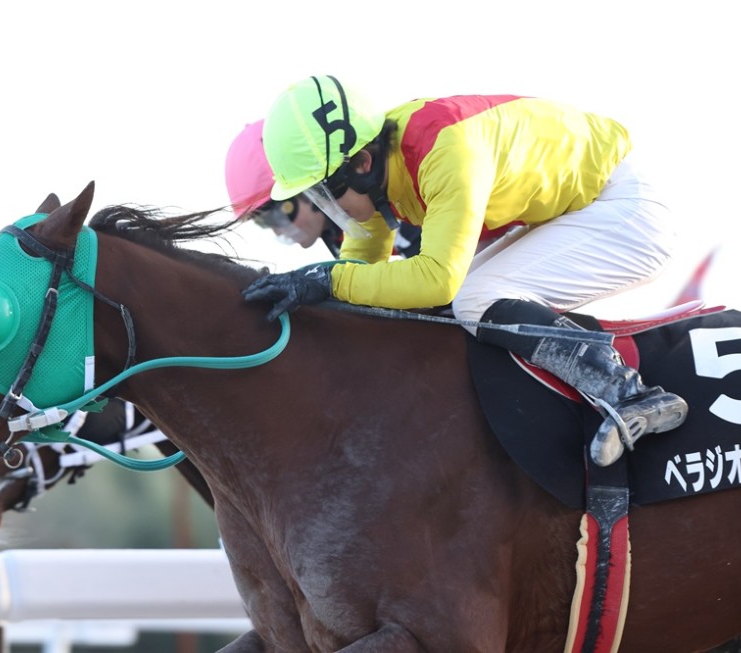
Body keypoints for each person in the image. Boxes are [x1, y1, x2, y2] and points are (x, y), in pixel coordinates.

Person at [242, 75, 687, 467]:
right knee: (461, 301)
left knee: (472, 298)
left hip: (626, 213)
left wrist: (328, 279)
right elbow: (361, 261)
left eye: (327, 192)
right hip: (579, 209)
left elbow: (435, 279)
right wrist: (314, 295)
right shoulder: (378, 162)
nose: (330, 210)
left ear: (362, 164)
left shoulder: (443, 151)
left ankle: (629, 394)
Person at [225, 119, 423, 259]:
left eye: (277, 217)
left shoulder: (373, 201)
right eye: (264, 223)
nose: (278, 232)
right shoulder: (335, 234)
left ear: (309, 189)